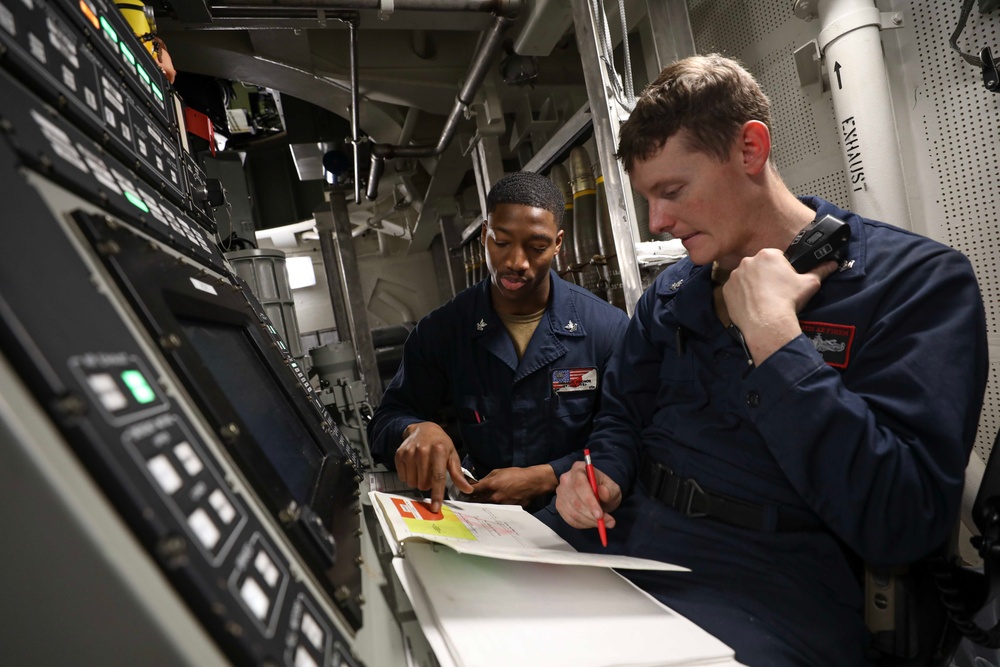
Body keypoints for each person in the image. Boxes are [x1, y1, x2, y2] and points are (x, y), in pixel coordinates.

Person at [553, 54, 988, 666]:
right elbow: (620, 413)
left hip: (769, 579)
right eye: (648, 198)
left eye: (673, 191)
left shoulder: (914, 285)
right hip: (628, 537)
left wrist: (779, 345)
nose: (658, 221)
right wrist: (605, 472)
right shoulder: (675, 294)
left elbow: (902, 520)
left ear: (750, 149)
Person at [368, 171, 629, 514]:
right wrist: (415, 429)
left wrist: (547, 476)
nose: (516, 263)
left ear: (558, 243)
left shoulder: (606, 329)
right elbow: (386, 422)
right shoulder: (444, 331)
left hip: (578, 518)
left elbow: (626, 435)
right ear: (483, 237)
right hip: (487, 516)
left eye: (536, 247)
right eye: (501, 242)